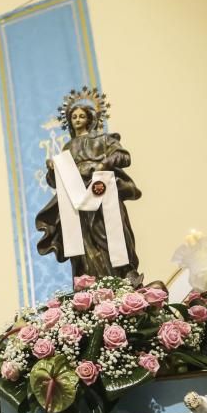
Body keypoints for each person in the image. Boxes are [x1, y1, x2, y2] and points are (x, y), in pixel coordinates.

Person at [35, 88, 142, 282]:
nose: (76, 119)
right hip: (78, 200)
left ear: (89, 118)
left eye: (81, 116)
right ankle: (92, 279)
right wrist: (53, 168)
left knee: (107, 235)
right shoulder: (68, 148)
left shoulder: (103, 139)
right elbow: (58, 183)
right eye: (73, 116)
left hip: (103, 191)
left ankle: (122, 275)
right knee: (86, 244)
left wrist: (104, 164)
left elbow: (124, 157)